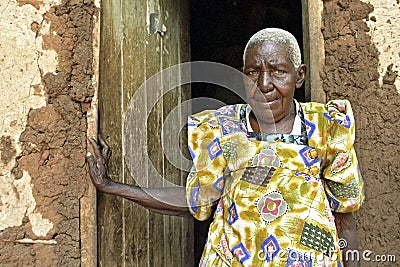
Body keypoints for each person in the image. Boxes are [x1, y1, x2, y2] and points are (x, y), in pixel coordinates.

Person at [87, 28, 364, 267]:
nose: (264, 84)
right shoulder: (222, 128)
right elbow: (196, 201)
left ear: (299, 75)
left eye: (279, 71)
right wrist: (112, 186)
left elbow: (345, 218)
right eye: (253, 72)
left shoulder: (327, 126)